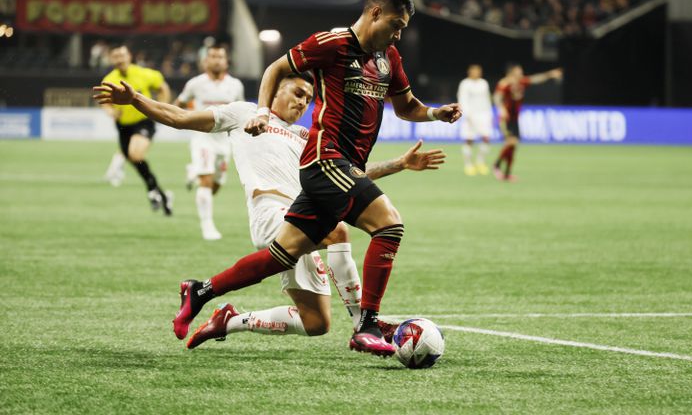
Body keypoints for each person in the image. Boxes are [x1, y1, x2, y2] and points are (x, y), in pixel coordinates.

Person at [144, 0, 457, 358]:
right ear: (375, 13)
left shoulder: (389, 57)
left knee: (282, 255)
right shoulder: (333, 43)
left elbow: (407, 107)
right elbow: (277, 67)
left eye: (403, 27)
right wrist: (261, 110)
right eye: (396, 23)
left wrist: (435, 114)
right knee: (388, 224)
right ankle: (367, 323)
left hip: (343, 168)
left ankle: (201, 291)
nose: (399, 33)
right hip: (325, 159)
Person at [94, 74, 446, 349]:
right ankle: (363, 324)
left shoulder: (307, 137)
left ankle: (228, 319)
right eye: (296, 93)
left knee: (316, 323)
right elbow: (181, 117)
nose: (302, 102)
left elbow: (349, 175)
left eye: (307, 99)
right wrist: (136, 100)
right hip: (270, 211)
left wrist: (400, 163)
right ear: (274, 91)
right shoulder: (244, 113)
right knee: (338, 230)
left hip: (302, 217)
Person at [175, 45, 245, 240]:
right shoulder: (195, 84)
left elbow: (240, 109)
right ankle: (207, 226)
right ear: (205, 61)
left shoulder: (235, 85)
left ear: (226, 61)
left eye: (220, 57)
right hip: (202, 138)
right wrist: (172, 116)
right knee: (206, 181)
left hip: (224, 141)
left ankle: (193, 172)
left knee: (215, 185)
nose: (216, 60)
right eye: (212, 56)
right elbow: (180, 103)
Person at [100, 44, 174, 214]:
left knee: (135, 155)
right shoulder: (109, 79)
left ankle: (152, 192)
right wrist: (111, 111)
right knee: (136, 161)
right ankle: (160, 194)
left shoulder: (144, 74)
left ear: (129, 56)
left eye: (122, 55)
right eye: (116, 56)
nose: (120, 59)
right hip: (123, 126)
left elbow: (162, 87)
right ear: (112, 59)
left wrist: (161, 107)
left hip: (144, 121)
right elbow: (105, 103)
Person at [493, 63, 562, 181]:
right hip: (506, 119)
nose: (521, 73)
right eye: (518, 72)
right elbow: (496, 97)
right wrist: (501, 109)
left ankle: (507, 173)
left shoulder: (522, 82)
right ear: (511, 73)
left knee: (513, 146)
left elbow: (536, 79)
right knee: (511, 142)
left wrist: (550, 74)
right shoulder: (505, 83)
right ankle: (497, 165)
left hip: (515, 119)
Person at [457, 63, 493, 176]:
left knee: (486, 138)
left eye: (478, 71)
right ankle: (468, 165)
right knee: (469, 140)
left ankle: (480, 162)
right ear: (469, 72)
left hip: (483, 115)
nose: (476, 73)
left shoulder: (484, 83)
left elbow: (487, 99)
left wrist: (490, 113)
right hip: (470, 115)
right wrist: (466, 115)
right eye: (474, 71)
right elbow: (462, 99)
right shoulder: (465, 84)